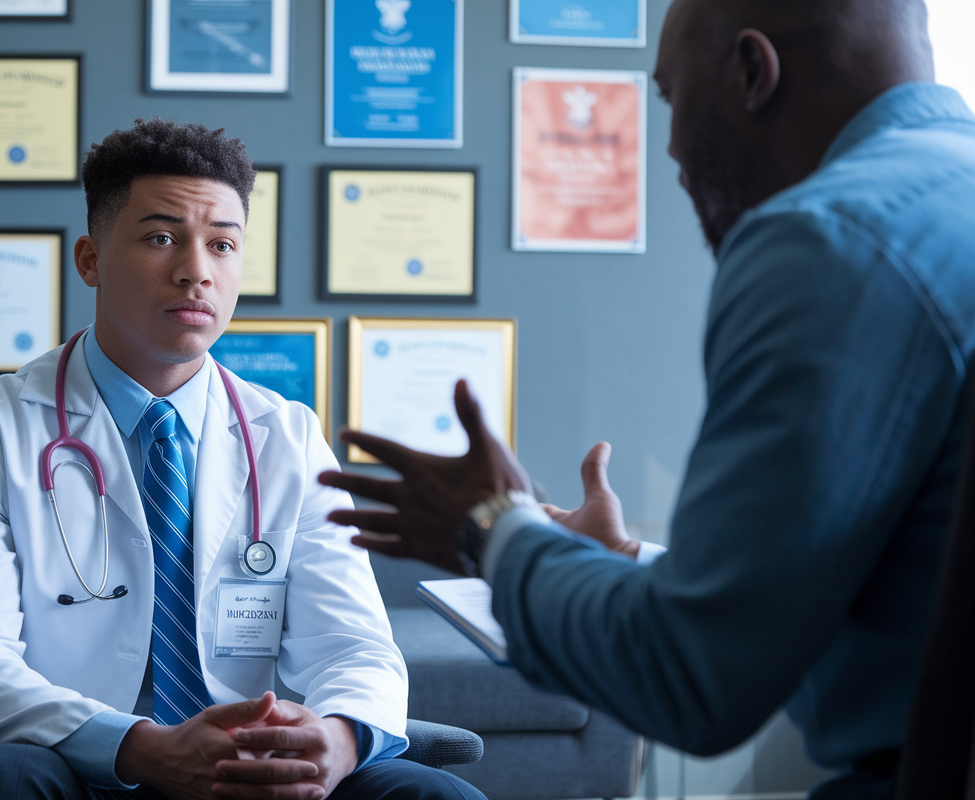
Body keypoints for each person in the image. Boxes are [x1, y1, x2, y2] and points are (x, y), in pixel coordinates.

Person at [317, 1, 975, 798]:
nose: (667, 147)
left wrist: (491, 527)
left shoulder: (827, 236)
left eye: (667, 99)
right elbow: (881, 580)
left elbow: (695, 676)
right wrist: (631, 563)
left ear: (750, 72)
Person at [0, 118, 484, 800]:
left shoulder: (288, 435)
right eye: (160, 238)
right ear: (90, 259)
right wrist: (139, 746)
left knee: (434, 797)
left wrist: (341, 737)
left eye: (223, 244)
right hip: (74, 764)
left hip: (246, 775)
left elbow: (354, 648)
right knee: (5, 778)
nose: (196, 271)